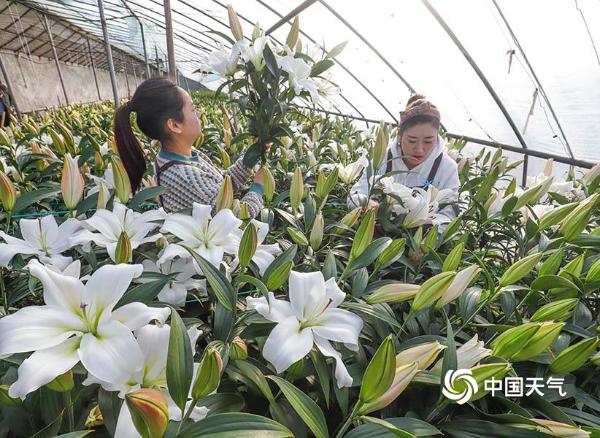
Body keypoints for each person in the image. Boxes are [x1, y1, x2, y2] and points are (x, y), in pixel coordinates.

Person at [113, 77, 264, 216]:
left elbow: (222, 186)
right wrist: (259, 187)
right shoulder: (185, 176)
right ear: (174, 125)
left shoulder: (179, 156)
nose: (199, 114)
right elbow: (236, 217)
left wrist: (252, 156)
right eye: (192, 109)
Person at [348, 93, 460, 223]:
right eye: (412, 141)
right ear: (400, 135)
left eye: (428, 141)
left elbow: (449, 216)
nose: (419, 149)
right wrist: (366, 205)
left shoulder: (447, 168)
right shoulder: (383, 158)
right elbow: (355, 195)